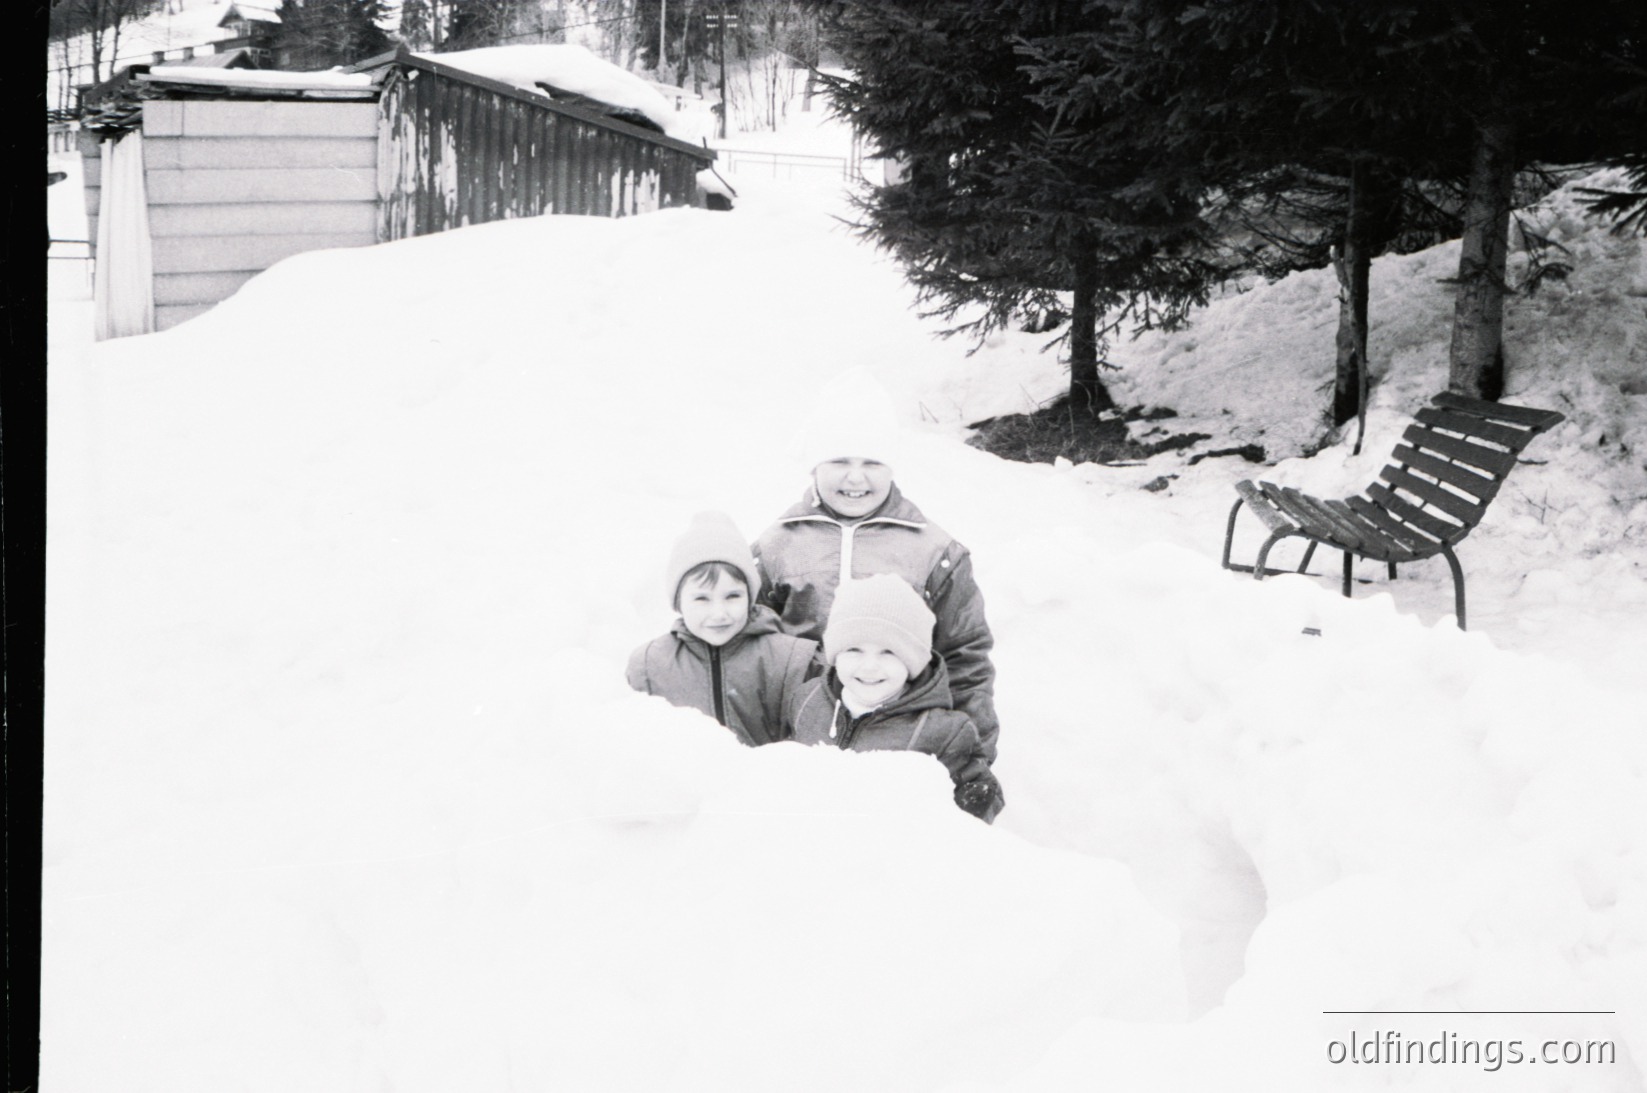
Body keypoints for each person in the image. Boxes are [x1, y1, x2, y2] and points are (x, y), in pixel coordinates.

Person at [752, 371, 1000, 761]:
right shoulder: (778, 545)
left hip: (902, 744)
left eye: (872, 462)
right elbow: (751, 652)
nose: (856, 476)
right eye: (839, 460)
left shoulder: (934, 551)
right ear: (814, 465)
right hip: (802, 738)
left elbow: (965, 661)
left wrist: (973, 759)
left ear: (891, 466)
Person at [786, 574, 1003, 822]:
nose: (869, 667)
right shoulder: (806, 700)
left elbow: (979, 800)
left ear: (913, 661)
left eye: (888, 652)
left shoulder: (943, 732)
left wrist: (969, 803)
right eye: (854, 649)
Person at [628, 511, 818, 746]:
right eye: (702, 599)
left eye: (732, 596)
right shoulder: (649, 666)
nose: (719, 613)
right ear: (679, 602)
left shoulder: (794, 661)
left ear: (750, 597)